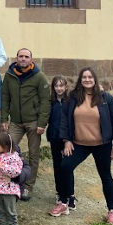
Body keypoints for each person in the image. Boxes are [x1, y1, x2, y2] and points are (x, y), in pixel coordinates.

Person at [50, 67, 113, 225]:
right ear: (80, 80)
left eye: (90, 77)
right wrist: (66, 140)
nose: (87, 80)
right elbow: (65, 119)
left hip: (101, 144)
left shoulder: (105, 98)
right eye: (84, 77)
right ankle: (64, 202)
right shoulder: (74, 97)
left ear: (95, 79)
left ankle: (111, 210)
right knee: (65, 166)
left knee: (105, 176)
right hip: (79, 143)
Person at [0, 48, 50, 200]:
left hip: (33, 122)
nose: (23, 59)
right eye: (20, 56)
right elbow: (5, 97)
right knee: (7, 150)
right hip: (15, 121)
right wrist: (4, 119)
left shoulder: (39, 76)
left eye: (26, 56)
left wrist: (42, 123)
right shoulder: (10, 75)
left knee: (34, 154)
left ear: (31, 59)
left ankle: (28, 186)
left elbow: (45, 101)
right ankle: (9, 181)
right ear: (16, 58)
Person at [47, 75, 72, 208]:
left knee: (67, 166)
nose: (59, 88)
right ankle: (59, 191)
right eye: (56, 86)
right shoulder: (51, 102)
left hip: (67, 138)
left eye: (61, 85)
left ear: (66, 87)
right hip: (54, 137)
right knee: (57, 166)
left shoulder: (70, 102)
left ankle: (70, 193)